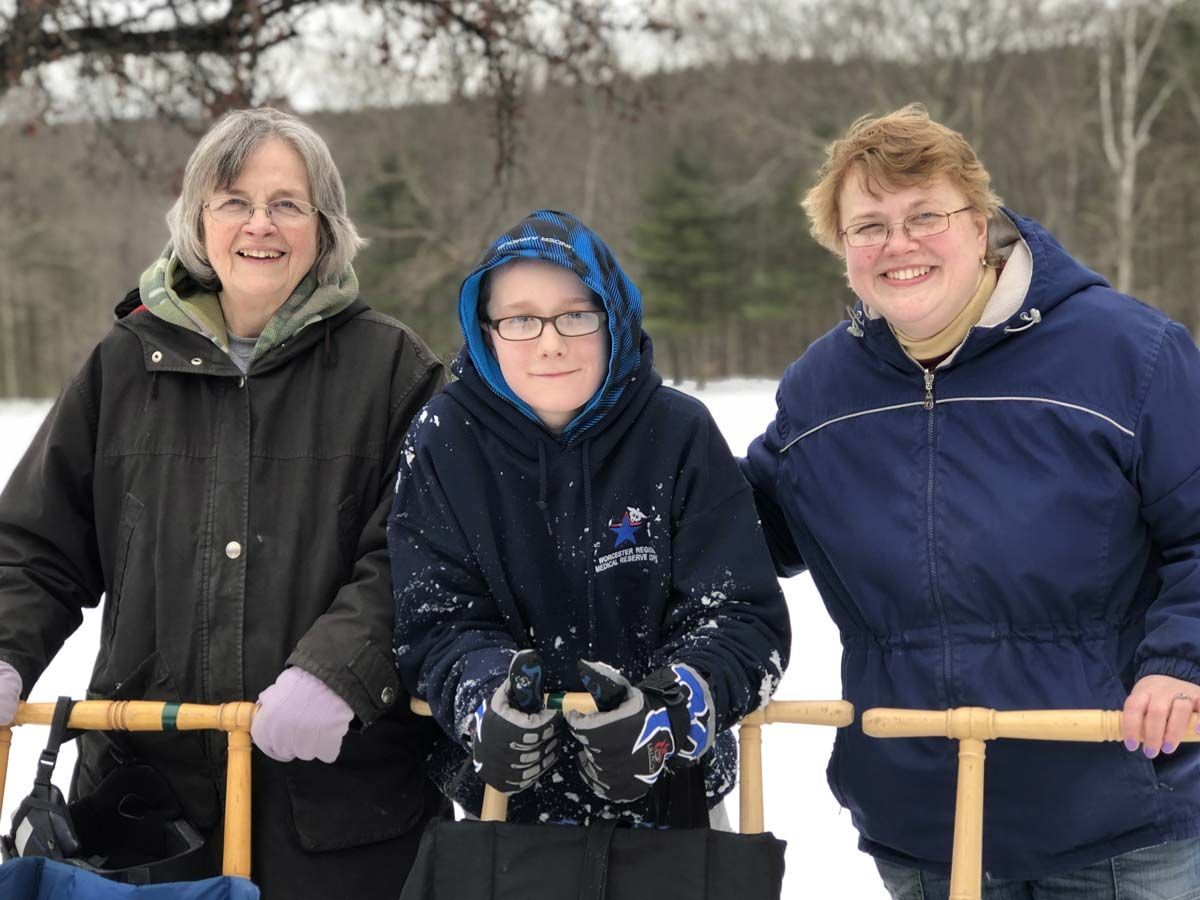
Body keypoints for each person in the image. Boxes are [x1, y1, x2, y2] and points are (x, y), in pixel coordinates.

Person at [741, 103, 1200, 897]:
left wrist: (1183, 663)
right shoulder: (821, 391)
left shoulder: (1131, 353)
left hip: (1117, 815)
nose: (899, 244)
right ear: (840, 245)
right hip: (924, 826)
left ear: (980, 222)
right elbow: (735, 533)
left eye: (926, 215)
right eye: (869, 225)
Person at [0, 108, 447, 897]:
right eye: (233, 200)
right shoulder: (123, 366)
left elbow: (420, 554)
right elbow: (35, 547)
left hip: (339, 812)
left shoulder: (393, 369)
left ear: (325, 224)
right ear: (198, 221)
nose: (259, 224)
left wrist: (339, 671)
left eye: (287, 203)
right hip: (145, 810)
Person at [389, 209, 790, 826]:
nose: (550, 341)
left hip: (675, 803)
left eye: (576, 314)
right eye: (521, 319)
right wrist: (487, 700)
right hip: (507, 810)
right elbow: (437, 620)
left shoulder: (680, 433)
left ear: (614, 318)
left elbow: (740, 617)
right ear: (486, 328)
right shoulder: (444, 441)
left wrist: (668, 710)